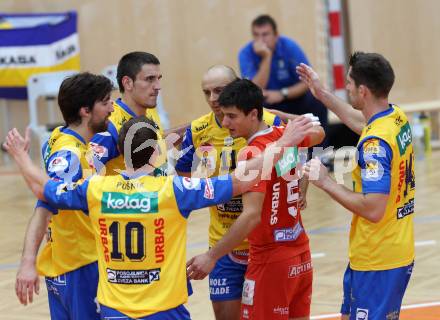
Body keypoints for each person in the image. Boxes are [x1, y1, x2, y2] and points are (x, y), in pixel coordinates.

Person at [4, 114, 316, 319]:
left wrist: (20, 156)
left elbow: (44, 189)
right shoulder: (174, 191)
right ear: (156, 152)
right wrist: (283, 144)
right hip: (164, 310)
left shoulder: (95, 189)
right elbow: (242, 179)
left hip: (115, 311)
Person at [187, 79, 325, 320]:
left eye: (231, 116)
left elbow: (251, 215)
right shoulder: (284, 135)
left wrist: (211, 256)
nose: (225, 122)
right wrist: (283, 117)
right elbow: (319, 131)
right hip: (301, 255)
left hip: (271, 260)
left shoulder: (251, 153)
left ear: (253, 114)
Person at [298, 52, 415, 319]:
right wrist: (321, 93)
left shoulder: (374, 145)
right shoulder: (395, 117)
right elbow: (362, 123)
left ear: (362, 90)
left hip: (380, 258)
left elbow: (373, 209)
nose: (347, 87)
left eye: (349, 83)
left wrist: (325, 182)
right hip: (381, 250)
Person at [175, 65, 282, 320]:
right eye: (207, 92)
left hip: (264, 243)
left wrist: (299, 190)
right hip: (223, 242)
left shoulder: (268, 123)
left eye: (219, 91)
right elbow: (182, 179)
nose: (213, 99)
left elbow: (298, 154)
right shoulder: (198, 130)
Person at [15, 72, 114, 319]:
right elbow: (47, 199)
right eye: (105, 102)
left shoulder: (59, 139)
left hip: (68, 265)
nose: (112, 107)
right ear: (85, 110)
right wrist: (28, 262)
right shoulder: (70, 153)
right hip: (80, 266)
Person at [90, 51, 186, 176]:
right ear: (128, 83)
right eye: (150, 79)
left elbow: (156, 140)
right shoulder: (110, 126)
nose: (158, 86)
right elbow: (87, 176)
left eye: (158, 79)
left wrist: (196, 127)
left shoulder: (149, 109)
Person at [238, 14, 328, 139]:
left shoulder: (290, 47)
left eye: (265, 34)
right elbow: (255, 90)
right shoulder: (245, 53)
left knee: (316, 100)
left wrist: (282, 94)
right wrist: (267, 56)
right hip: (266, 102)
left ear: (276, 35)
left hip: (291, 97)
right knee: (252, 109)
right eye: (256, 35)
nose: (261, 40)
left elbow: (306, 82)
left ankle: (320, 150)